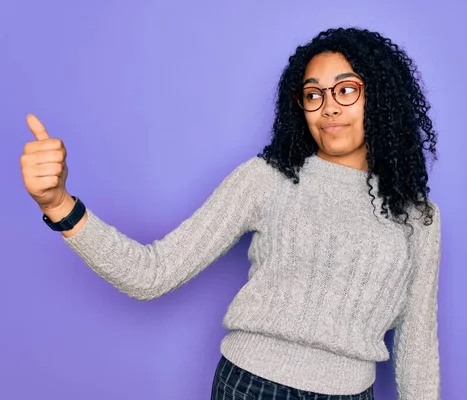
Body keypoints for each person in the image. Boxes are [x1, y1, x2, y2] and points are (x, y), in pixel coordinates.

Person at [20, 27, 441, 400]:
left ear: (380, 97)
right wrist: (58, 205)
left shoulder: (418, 216)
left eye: (346, 89)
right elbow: (153, 274)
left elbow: (417, 347)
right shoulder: (267, 179)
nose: (328, 107)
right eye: (313, 94)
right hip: (251, 389)